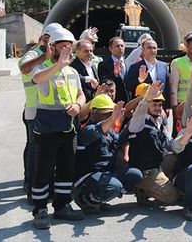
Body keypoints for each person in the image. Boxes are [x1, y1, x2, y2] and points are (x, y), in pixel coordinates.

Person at [30, 28, 86, 229]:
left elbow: (81, 94)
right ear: (52, 47)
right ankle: (40, 210)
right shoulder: (42, 67)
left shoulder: (72, 72)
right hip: (47, 130)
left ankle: (62, 206)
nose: (66, 50)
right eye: (62, 46)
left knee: (66, 169)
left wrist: (78, 105)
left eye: (69, 47)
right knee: (43, 171)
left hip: (68, 129)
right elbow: (37, 79)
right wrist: (58, 65)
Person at [72, 95, 143, 214]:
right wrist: (113, 119)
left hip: (106, 173)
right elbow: (98, 130)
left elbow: (122, 140)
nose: (109, 116)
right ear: (93, 113)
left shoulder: (110, 131)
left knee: (135, 175)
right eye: (105, 113)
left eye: (111, 113)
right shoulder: (88, 130)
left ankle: (99, 199)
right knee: (115, 186)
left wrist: (131, 121)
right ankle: (86, 200)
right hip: (88, 176)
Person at [18, 22, 62, 200]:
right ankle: (31, 185)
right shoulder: (35, 54)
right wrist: (43, 56)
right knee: (35, 150)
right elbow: (24, 67)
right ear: (45, 39)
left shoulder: (53, 57)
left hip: (47, 110)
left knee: (40, 149)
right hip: (34, 109)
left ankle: (40, 183)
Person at [127, 82, 178, 206]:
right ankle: (143, 189)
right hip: (145, 171)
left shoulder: (158, 122)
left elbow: (170, 143)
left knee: (177, 156)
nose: (158, 108)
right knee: (172, 197)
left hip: (158, 164)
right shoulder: (138, 122)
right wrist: (146, 98)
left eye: (160, 105)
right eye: (154, 104)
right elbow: (139, 111)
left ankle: (162, 184)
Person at [125, 39, 171, 110]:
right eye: (149, 48)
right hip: (141, 108)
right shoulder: (135, 67)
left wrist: (167, 107)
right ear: (143, 50)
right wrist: (140, 80)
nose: (152, 50)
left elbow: (167, 88)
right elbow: (128, 86)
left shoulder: (163, 66)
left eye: (154, 48)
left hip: (159, 107)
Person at [170, 33, 192, 108]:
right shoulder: (177, 62)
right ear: (187, 45)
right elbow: (174, 85)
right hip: (182, 102)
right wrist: (174, 104)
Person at [97, 36, 129, 102]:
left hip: (128, 100)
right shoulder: (103, 64)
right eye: (117, 46)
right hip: (112, 99)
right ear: (110, 48)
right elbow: (102, 81)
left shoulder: (129, 64)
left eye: (122, 46)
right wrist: (114, 74)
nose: (120, 48)